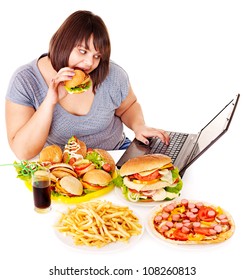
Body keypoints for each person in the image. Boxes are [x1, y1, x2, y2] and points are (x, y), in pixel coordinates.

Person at [5, 10, 169, 160]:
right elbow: (23, 152)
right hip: (63, 166)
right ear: (62, 43)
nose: (90, 63)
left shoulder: (113, 74)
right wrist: (49, 101)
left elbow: (128, 106)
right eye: (82, 51)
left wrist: (139, 126)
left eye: (97, 56)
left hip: (115, 155)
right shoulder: (25, 80)